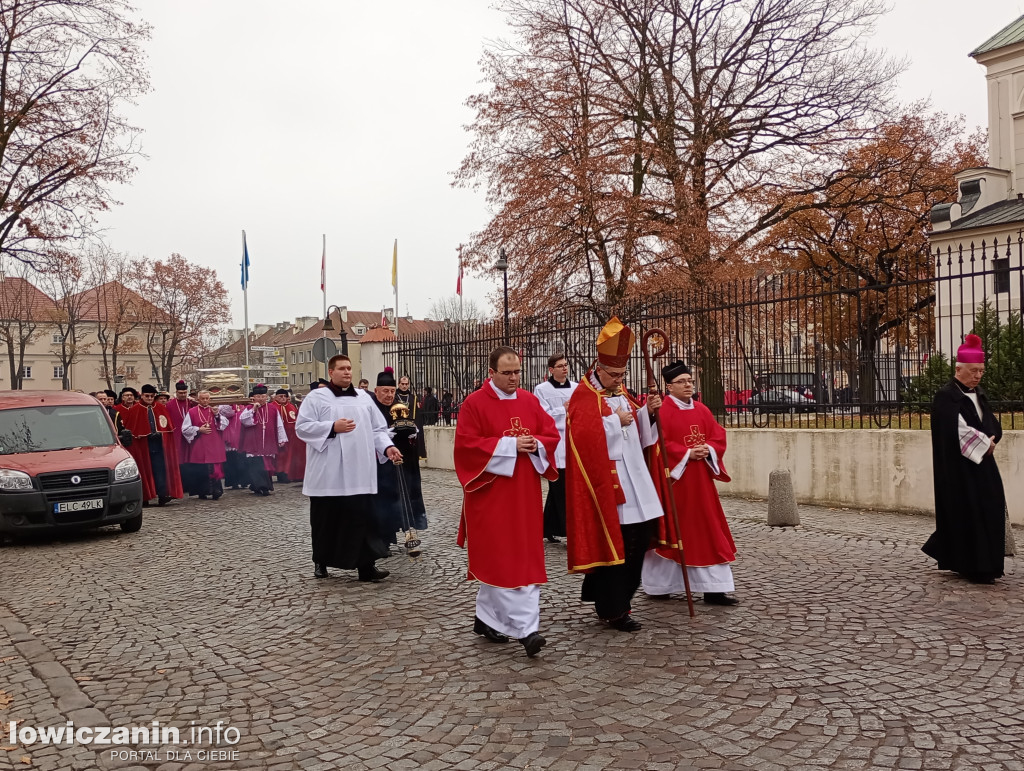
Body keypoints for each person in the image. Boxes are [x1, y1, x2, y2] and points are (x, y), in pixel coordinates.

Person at [454, 346, 560, 658]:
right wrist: (510, 445)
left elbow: (550, 434)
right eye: (507, 373)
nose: (514, 378)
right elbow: (466, 447)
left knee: (522, 556)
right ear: (491, 373)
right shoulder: (474, 404)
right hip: (491, 494)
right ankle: (527, 631)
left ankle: (485, 619)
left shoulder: (529, 401)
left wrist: (536, 443)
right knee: (500, 558)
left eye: (517, 372)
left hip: (524, 493)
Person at [565, 317, 664, 632]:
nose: (619, 380)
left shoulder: (621, 393)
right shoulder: (583, 396)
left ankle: (608, 597)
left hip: (636, 479)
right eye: (615, 374)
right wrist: (614, 422)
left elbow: (640, 435)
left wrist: (646, 413)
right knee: (617, 544)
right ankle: (614, 609)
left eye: (623, 374)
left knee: (640, 538)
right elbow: (580, 437)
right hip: (610, 483)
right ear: (599, 368)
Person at [296, 354, 401, 581]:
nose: (347, 372)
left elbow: (377, 430)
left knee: (361, 520)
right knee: (326, 520)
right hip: (328, 472)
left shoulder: (364, 398)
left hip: (359, 471)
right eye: (342, 369)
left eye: (349, 368)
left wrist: (387, 448)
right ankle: (321, 562)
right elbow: (302, 428)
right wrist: (332, 426)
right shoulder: (316, 398)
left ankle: (366, 567)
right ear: (331, 372)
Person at [641, 361, 739, 604]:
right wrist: (686, 454)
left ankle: (714, 589)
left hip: (701, 484)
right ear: (668, 387)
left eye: (690, 381)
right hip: (674, 484)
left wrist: (709, 449)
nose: (688, 385)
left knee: (708, 531)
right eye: (682, 382)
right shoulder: (661, 411)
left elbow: (718, 436)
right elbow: (655, 444)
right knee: (672, 532)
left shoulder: (702, 410)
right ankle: (660, 586)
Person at [922, 334, 1006, 583]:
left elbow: (989, 422)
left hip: (983, 463)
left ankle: (989, 562)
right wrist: (984, 444)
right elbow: (954, 430)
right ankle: (973, 565)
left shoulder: (978, 393)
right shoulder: (946, 396)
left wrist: (991, 439)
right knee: (967, 511)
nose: (978, 376)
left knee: (991, 506)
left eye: (981, 371)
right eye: (974, 371)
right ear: (959, 368)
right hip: (960, 469)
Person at [369, 368, 428, 549]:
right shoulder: (370, 407)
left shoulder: (399, 406)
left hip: (400, 462)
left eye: (392, 391)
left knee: (401, 497)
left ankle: (405, 530)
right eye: (385, 391)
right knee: (382, 500)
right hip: (379, 464)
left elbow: (411, 425)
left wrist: (411, 434)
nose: (389, 395)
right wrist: (384, 436)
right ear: (376, 390)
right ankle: (382, 539)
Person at [533, 353, 577, 543]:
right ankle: (570, 531)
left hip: (573, 440)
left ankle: (548, 527)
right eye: (560, 366)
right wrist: (563, 410)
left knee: (561, 488)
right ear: (551, 370)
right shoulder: (541, 389)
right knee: (560, 488)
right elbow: (542, 416)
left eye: (566, 365)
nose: (564, 368)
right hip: (556, 443)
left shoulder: (576, 387)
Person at [118, 384, 184, 506]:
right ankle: (145, 497)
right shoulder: (135, 410)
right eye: (147, 396)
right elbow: (131, 431)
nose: (149, 398)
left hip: (159, 445)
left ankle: (162, 495)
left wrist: (161, 435)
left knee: (160, 470)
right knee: (144, 471)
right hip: (143, 446)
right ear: (142, 395)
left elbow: (168, 428)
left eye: (152, 396)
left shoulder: (160, 408)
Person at [239, 384, 287, 496]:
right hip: (254, 442)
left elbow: (279, 425)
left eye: (263, 396)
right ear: (254, 397)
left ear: (267, 397)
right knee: (256, 465)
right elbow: (244, 421)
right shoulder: (249, 409)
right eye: (258, 396)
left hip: (268, 441)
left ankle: (263, 485)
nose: (260, 398)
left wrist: (281, 438)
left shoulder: (272, 408)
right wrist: (254, 410)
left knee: (267, 466)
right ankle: (262, 486)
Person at [181, 390, 228, 500]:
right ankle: (202, 491)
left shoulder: (215, 411)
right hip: (200, 444)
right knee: (201, 468)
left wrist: (217, 415)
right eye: (203, 398)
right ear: (198, 400)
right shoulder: (192, 412)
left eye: (207, 398)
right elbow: (185, 429)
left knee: (214, 468)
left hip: (214, 443)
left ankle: (216, 490)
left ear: (210, 399)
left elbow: (224, 425)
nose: (205, 401)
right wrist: (198, 429)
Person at [273, 388, 304, 484]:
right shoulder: (273, 407)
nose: (283, 398)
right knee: (280, 456)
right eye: (280, 396)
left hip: (291, 436)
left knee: (290, 456)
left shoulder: (291, 406)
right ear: (275, 397)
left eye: (285, 396)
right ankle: (280, 474)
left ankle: (290, 474)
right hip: (278, 436)